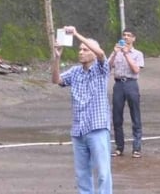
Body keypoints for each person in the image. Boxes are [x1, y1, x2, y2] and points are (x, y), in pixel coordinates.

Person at [51, 25, 113, 194]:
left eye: (85, 50)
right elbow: (56, 80)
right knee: (82, 174)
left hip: (97, 128)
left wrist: (77, 34)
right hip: (79, 130)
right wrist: (57, 58)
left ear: (92, 52)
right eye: (80, 49)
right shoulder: (75, 72)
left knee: (103, 173)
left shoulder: (101, 68)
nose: (81, 52)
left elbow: (100, 54)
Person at [108, 29, 143, 159]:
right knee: (117, 117)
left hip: (131, 84)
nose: (126, 37)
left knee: (135, 116)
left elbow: (136, 69)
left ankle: (137, 148)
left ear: (134, 39)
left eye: (129, 36)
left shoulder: (138, 54)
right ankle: (119, 147)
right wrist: (114, 53)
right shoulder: (116, 52)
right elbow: (107, 67)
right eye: (124, 35)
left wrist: (127, 54)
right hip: (118, 84)